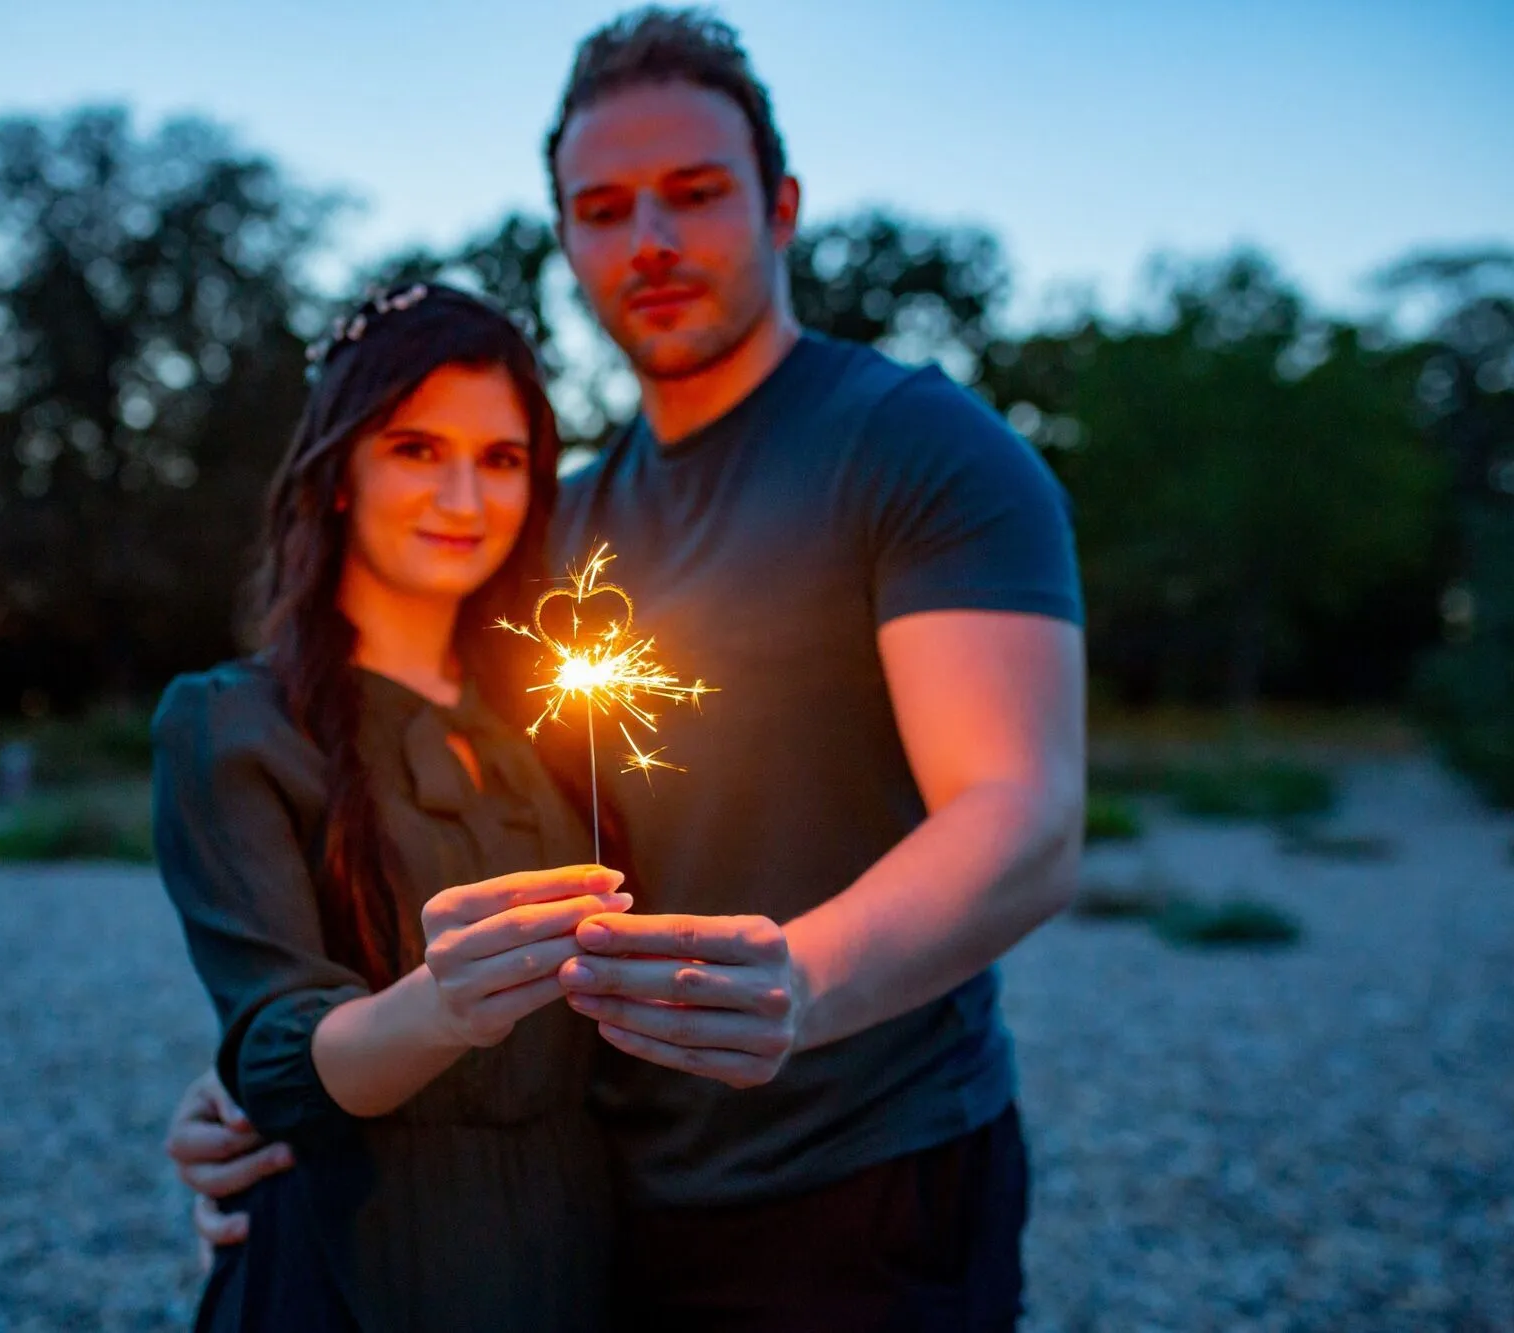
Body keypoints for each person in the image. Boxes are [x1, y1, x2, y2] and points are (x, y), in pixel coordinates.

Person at [171, 8, 1087, 1329]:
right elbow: (422, 821)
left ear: (780, 207)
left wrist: (806, 979)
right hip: (593, 1198)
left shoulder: (918, 453)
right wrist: (274, 1067)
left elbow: (1022, 814)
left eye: (694, 195)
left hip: (857, 1179)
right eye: (603, 208)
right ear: (567, 243)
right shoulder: (555, 527)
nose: (648, 240)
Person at [153, 283, 627, 1332]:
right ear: (335, 475)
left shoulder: (559, 723)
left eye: (500, 458)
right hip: (353, 1265)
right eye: (416, 448)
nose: (463, 497)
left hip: (578, 1254)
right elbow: (274, 1042)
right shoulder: (231, 724)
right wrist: (441, 1006)